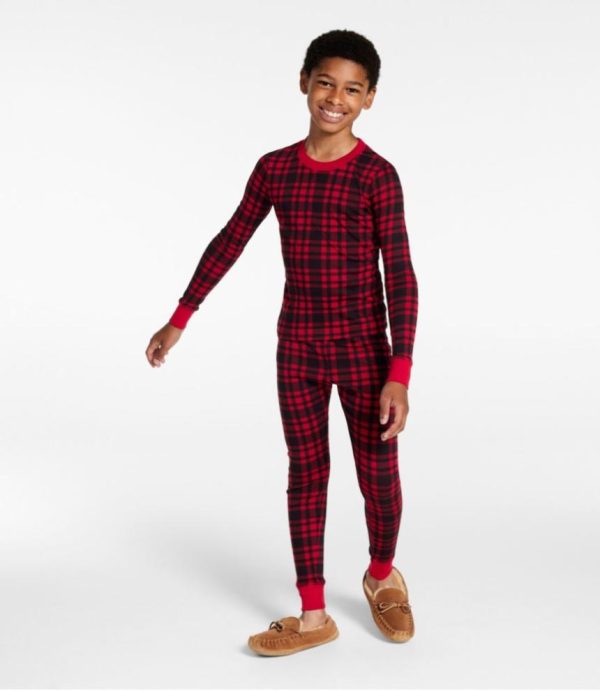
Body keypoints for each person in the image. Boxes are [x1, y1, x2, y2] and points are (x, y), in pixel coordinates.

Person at [145, 28, 418, 655]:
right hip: (297, 349)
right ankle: (313, 614)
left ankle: (382, 575)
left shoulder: (377, 176)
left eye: (352, 89)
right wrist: (180, 317)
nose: (336, 98)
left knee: (378, 475)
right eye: (325, 83)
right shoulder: (275, 169)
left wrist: (399, 371)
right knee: (307, 473)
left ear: (369, 98)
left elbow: (400, 274)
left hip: (365, 353)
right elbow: (230, 240)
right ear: (303, 83)